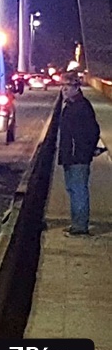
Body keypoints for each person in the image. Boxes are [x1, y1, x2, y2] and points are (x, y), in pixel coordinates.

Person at [58, 71, 100, 237]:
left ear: (76, 87)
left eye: (67, 86)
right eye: (63, 86)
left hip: (78, 156)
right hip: (71, 155)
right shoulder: (70, 105)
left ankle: (80, 226)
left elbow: (93, 131)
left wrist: (86, 150)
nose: (64, 90)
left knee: (78, 190)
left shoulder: (81, 106)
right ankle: (76, 223)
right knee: (72, 189)